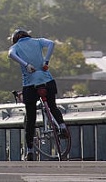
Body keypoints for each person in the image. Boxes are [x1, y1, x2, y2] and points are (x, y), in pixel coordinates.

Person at [8, 28, 68, 161]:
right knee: (52, 106)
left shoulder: (16, 46)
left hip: (30, 85)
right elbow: (52, 43)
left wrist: (26, 64)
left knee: (31, 118)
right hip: (48, 81)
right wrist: (46, 61)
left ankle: (30, 150)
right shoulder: (37, 41)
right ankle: (62, 126)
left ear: (15, 39)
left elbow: (10, 54)